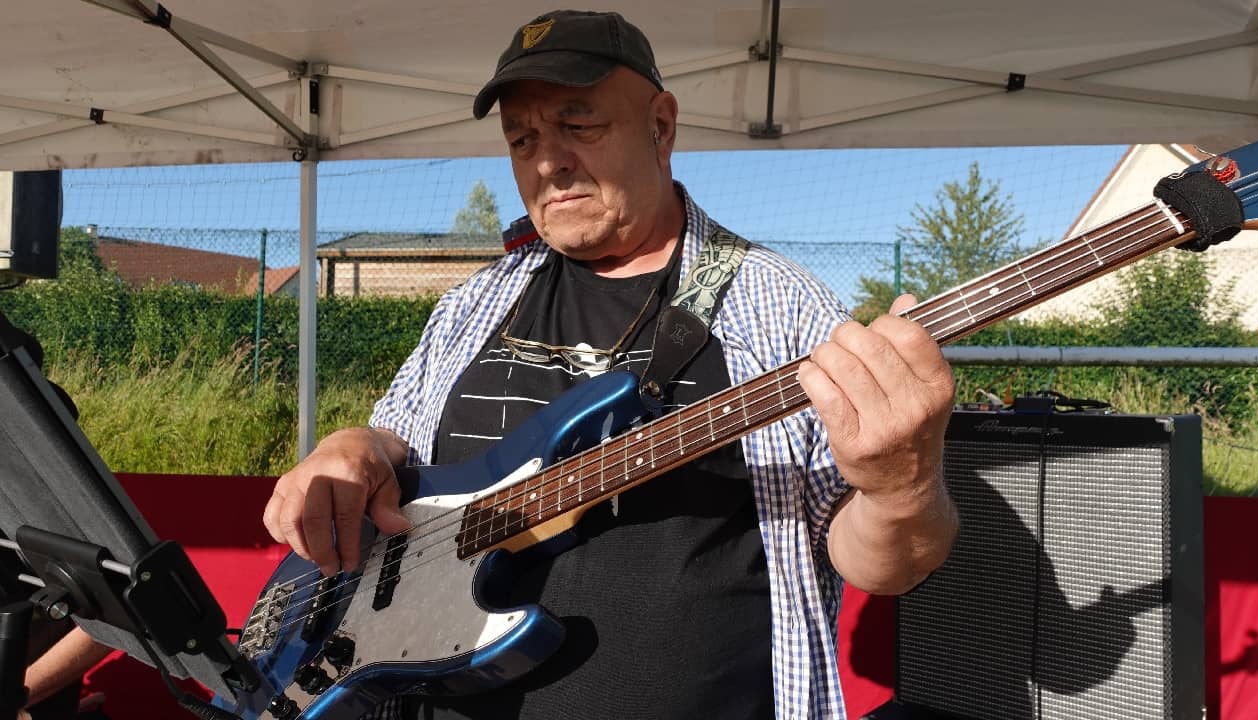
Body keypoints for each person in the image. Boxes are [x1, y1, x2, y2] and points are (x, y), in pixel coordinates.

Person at [263, 9, 959, 719]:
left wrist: (902, 491)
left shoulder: (782, 305)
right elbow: (394, 441)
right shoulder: (474, 301)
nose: (546, 161)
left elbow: (885, 564)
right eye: (522, 137)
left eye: (579, 125)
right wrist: (350, 448)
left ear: (661, 125)